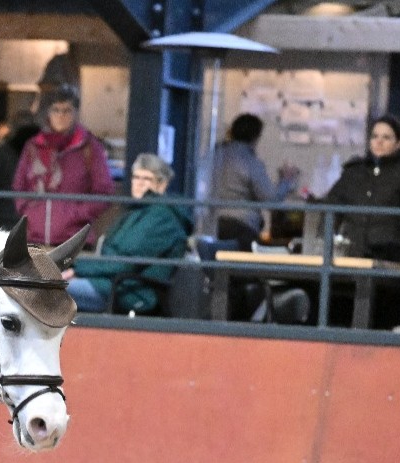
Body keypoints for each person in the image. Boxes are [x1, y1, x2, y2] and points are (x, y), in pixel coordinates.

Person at [62, 153, 190, 315]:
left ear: (162, 184)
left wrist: (77, 270)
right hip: (110, 282)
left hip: (129, 291)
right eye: (136, 177)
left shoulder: (161, 218)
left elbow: (124, 262)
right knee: (38, 287)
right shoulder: (138, 212)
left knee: (44, 291)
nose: (139, 184)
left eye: (146, 179)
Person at [11, 84, 113, 246]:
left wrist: (77, 214)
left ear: (76, 114)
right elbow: (19, 186)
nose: (60, 116)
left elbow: (104, 191)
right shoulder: (34, 146)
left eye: (66, 110)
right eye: (55, 110)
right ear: (48, 114)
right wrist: (29, 212)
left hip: (74, 241)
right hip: (34, 238)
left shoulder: (89, 147)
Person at [322, 115, 400, 265]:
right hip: (350, 253)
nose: (379, 141)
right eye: (375, 136)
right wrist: (327, 242)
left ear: (399, 144)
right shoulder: (353, 172)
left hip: (390, 259)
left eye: (386, 137)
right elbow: (330, 207)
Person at [209, 113, 299, 250]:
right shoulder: (250, 162)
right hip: (242, 227)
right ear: (255, 136)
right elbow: (271, 201)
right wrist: (286, 180)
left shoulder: (216, 155)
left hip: (213, 224)